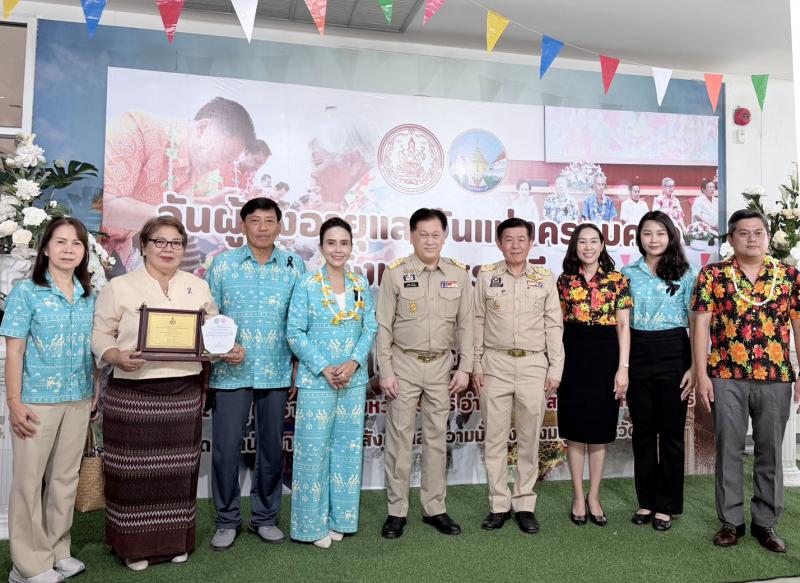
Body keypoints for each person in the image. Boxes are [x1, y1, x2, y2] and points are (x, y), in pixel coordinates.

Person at [91, 216, 244, 570]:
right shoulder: (119, 287)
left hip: (183, 391)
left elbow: (212, 335)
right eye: (159, 241)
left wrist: (228, 349)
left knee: (178, 471)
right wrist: (114, 355)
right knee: (132, 472)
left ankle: (175, 542)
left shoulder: (197, 287)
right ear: (144, 246)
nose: (168, 249)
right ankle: (133, 547)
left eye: (175, 243)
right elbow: (100, 334)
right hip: (133, 392)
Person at [691, 208, 800, 553]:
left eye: (758, 233)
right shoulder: (712, 275)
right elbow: (700, 326)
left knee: (770, 450)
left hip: (776, 375)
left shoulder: (790, 276)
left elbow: (798, 325)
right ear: (731, 238)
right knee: (729, 449)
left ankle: (765, 523)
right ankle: (731, 522)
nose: (751, 239)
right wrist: (701, 375)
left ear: (768, 237)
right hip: (725, 375)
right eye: (743, 233)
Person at [204, 197, 305, 551]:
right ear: (243, 224)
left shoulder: (294, 265)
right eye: (255, 220)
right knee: (224, 449)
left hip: (277, 370)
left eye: (269, 220)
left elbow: (300, 319)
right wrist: (220, 349)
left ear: (279, 225)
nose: (262, 227)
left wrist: (297, 362)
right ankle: (227, 519)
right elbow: (209, 316)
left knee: (272, 448)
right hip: (231, 370)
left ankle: (265, 517)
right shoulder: (223, 265)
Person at [2, 218, 98, 583]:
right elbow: (14, 351)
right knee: (29, 482)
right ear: (45, 248)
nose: (69, 249)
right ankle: (27, 566)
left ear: (84, 252)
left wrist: (95, 387)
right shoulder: (26, 292)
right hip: (36, 401)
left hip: (78, 398)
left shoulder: (89, 295)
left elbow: (91, 349)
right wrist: (14, 401)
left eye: (77, 243)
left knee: (64, 479)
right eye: (61, 242)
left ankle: (58, 551)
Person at [377, 208, 473, 539]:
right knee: (399, 439)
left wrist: (465, 367)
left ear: (444, 237)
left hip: (441, 367)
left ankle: (435, 508)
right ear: (412, 236)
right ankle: (396, 511)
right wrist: (386, 371)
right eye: (423, 235)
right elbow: (383, 326)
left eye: (436, 235)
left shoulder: (458, 274)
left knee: (436, 438)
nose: (430, 241)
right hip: (403, 364)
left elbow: (467, 325)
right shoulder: (395, 273)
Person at [287, 217, 378, 548]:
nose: (338, 249)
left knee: (347, 452)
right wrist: (325, 367)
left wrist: (353, 363)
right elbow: (294, 332)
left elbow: (370, 326)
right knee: (312, 453)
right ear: (321, 247)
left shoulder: (359, 283)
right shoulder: (307, 283)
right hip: (317, 381)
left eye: (344, 243)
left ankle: (342, 519)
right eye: (331, 243)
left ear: (351, 246)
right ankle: (311, 527)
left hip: (352, 381)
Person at [472, 218, 564, 534]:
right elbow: (476, 321)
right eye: (509, 240)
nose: (515, 245)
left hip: (533, 366)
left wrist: (555, 368)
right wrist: (476, 365)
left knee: (529, 439)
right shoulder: (486, 276)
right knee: (494, 441)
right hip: (494, 365)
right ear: (500, 244)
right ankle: (498, 505)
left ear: (530, 243)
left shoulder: (544, 278)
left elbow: (554, 325)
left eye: (521, 239)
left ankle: (524, 504)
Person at [103, 97, 257, 270]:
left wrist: (208, 205)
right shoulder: (135, 129)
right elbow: (103, 205)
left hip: (118, 253)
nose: (220, 166)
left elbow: (162, 205)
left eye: (228, 161)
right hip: (87, 242)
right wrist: (192, 218)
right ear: (203, 128)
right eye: (223, 155)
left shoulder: (194, 164)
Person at [621, 211, 697, 531]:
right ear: (639, 237)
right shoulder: (627, 273)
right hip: (638, 351)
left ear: (671, 236)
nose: (653, 240)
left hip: (674, 352)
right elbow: (622, 324)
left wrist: (695, 366)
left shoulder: (687, 273)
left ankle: (666, 505)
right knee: (642, 432)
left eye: (660, 233)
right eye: (647, 233)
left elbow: (695, 322)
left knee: (670, 433)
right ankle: (646, 501)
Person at [556, 223, 632, 527]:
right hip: (573, 355)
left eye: (593, 241)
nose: (588, 247)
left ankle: (594, 496)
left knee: (600, 431)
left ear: (602, 245)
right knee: (575, 431)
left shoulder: (617, 280)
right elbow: (557, 325)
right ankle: (577, 496)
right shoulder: (564, 281)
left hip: (606, 355)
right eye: (582, 242)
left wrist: (623, 368)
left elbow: (623, 326)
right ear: (575, 247)